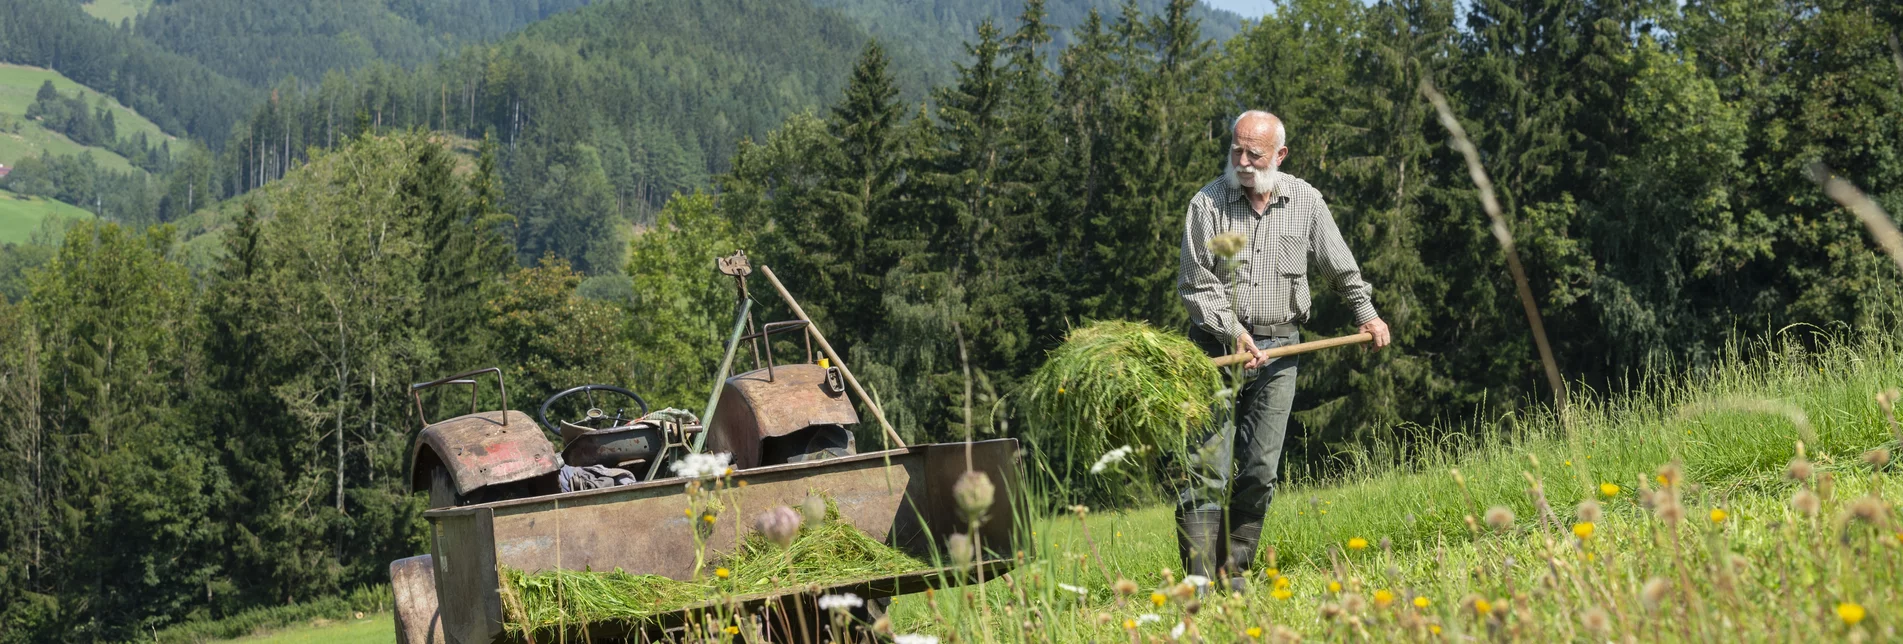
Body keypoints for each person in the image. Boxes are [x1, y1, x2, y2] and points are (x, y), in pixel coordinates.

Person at [1175, 110, 1392, 585]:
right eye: (1237, 149)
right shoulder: (1207, 204)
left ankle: (1232, 572)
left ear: (1280, 154)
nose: (1244, 160)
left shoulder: (1305, 202)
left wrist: (1367, 314)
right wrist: (1232, 330)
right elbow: (1196, 285)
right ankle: (1198, 580)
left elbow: (1341, 267)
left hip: (1281, 353)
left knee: (1258, 470)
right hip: (1215, 349)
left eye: (1255, 153)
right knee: (1206, 467)